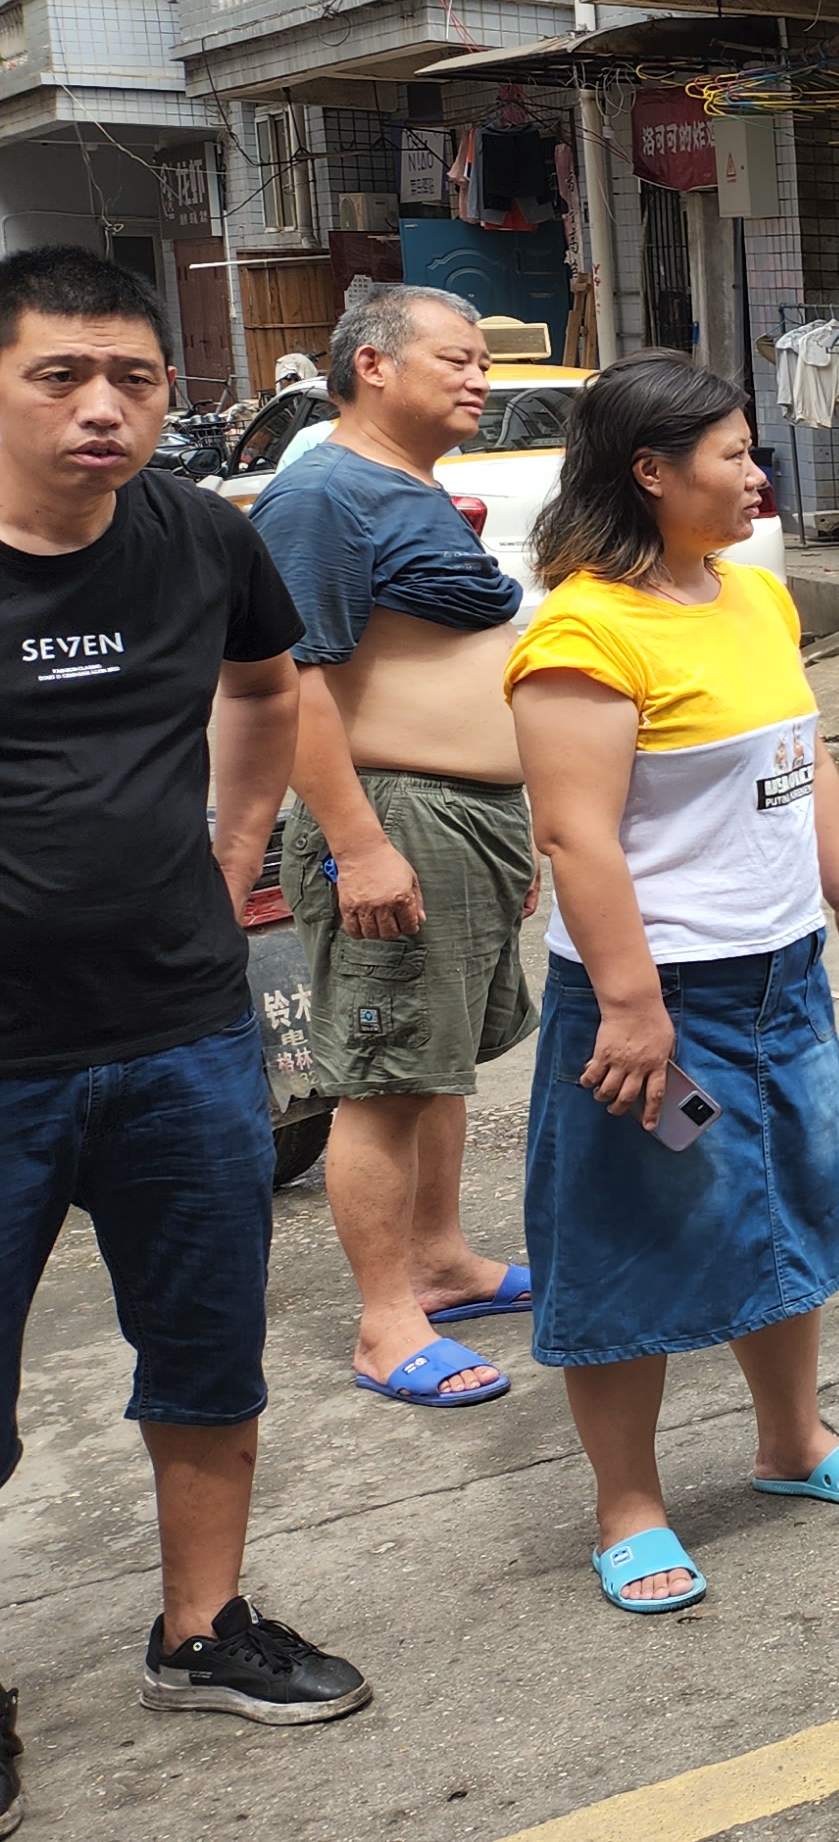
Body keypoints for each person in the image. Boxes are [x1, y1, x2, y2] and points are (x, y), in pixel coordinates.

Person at [0, 248, 370, 1766]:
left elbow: (270, 687)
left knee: (208, 1352)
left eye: (134, 379)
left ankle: (201, 1629)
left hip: (178, 1030)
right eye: (60, 376)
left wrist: (231, 854)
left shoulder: (196, 536)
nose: (105, 408)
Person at [504, 354, 839, 1616]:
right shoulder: (584, 632)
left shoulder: (751, 598)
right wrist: (631, 1003)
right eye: (733, 453)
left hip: (779, 976)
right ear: (651, 470)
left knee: (786, 1203)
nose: (756, 475)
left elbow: (805, 756)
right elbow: (576, 833)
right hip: (658, 1000)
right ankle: (628, 1505)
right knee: (631, 1236)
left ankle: (791, 1443)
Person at [249, 287, 538, 1411]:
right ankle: (385, 1320)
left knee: (440, 1056)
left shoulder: (399, 480)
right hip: (392, 812)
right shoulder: (321, 490)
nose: (478, 378)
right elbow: (291, 677)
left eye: (482, 360)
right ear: (372, 363)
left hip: (460, 818)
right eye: (456, 359)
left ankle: (442, 1257)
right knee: (382, 1075)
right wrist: (362, 847)